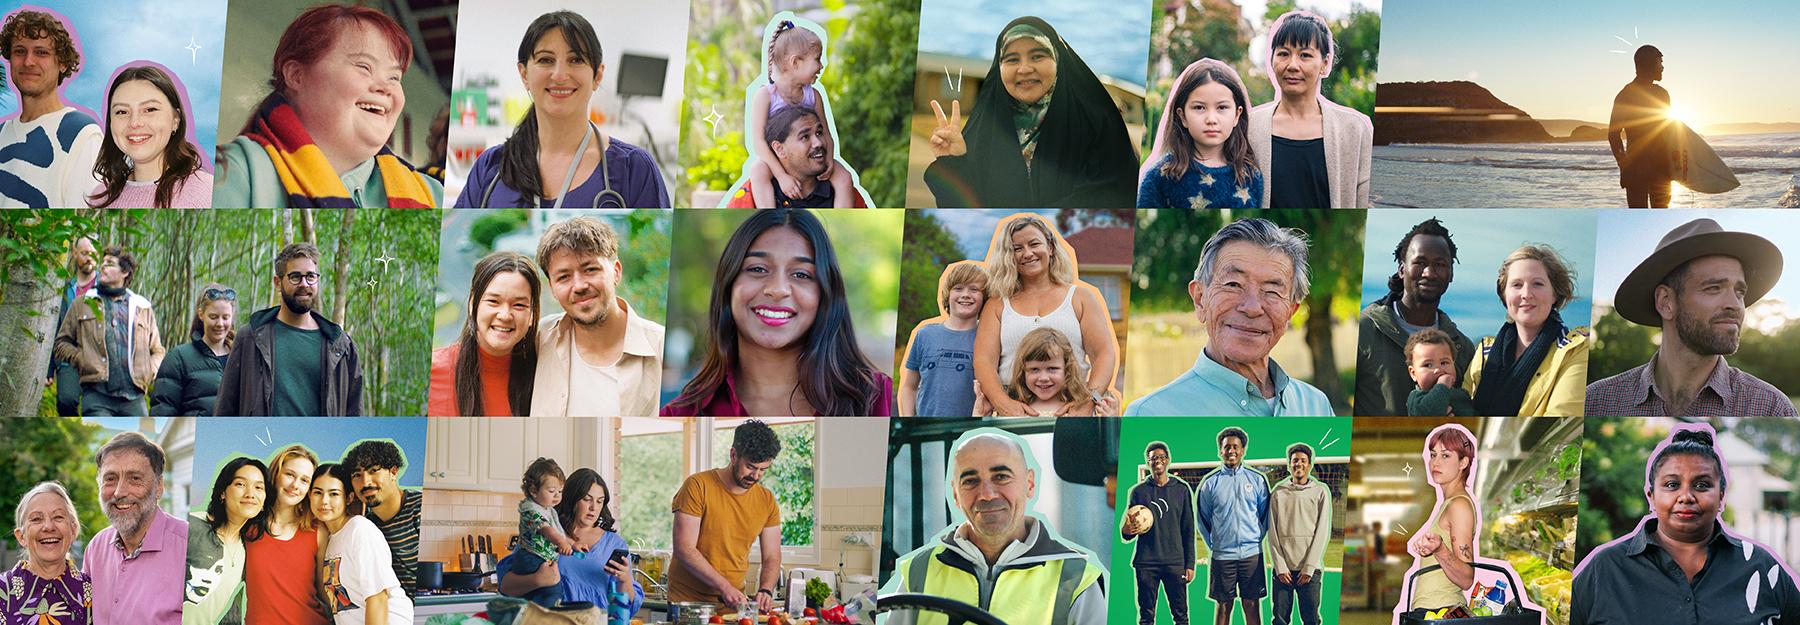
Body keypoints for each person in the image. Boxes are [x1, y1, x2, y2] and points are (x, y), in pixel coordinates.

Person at [662, 209, 893, 416]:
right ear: (729, 284)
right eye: (758, 269)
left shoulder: (880, 399)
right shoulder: (680, 414)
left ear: (825, 293)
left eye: (801, 274)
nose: (778, 289)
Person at [214, 4, 440, 208]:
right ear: (296, 75)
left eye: (394, 77)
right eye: (364, 66)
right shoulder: (234, 173)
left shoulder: (432, 193)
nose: (385, 87)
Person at [1571, 424, 1800, 624]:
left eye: (1701, 485)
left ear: (1721, 496)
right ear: (1651, 496)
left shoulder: (1761, 566)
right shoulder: (1604, 569)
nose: (1686, 496)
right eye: (1672, 485)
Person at [885, 430, 1107, 625]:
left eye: (1001, 477)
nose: (987, 494)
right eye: (970, 481)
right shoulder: (918, 571)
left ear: (1029, 484)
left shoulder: (1078, 578)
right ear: (955, 494)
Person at [453, 11, 668, 208]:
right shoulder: (490, 167)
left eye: (575, 60)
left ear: (597, 76)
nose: (559, 75)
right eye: (546, 60)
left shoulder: (634, 169)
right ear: (524, 74)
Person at [1586, 218, 1796, 416]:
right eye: (1713, 288)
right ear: (1665, 301)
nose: (1734, 304)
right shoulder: (1596, 401)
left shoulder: (1771, 407)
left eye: (1739, 292)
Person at [921, 16, 1136, 208]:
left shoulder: (1098, 126)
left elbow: (1111, 200)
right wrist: (954, 162)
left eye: (1037, 56)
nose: (1024, 69)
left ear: (1058, 61)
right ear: (999, 66)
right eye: (1012, 59)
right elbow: (965, 208)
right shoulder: (982, 132)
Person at [1127, 218, 1333, 416]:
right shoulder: (1150, 414)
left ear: (1291, 311)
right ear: (1200, 299)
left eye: (1272, 291)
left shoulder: (1316, 405)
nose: (1252, 308)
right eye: (1233, 284)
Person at [972, 214, 1117, 417]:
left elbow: (1104, 354)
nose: (1027, 253)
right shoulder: (997, 304)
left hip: (1072, 411)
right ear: (1008, 255)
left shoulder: (1081, 297)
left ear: (1050, 247)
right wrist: (1003, 404)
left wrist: (1088, 402)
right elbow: (983, 360)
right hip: (1014, 411)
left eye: (1034, 244)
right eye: (1017, 248)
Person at [528, 217, 663, 416]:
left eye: (590, 270)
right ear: (552, 289)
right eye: (564, 277)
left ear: (616, 272)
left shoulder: (659, 347)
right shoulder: (536, 340)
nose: (580, 286)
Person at [215, 242, 364, 416]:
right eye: (295, 277)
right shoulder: (250, 337)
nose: (304, 284)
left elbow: (356, 416)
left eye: (310, 277)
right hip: (263, 442)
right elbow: (225, 408)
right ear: (278, 283)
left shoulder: (341, 346)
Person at [1248, 10, 1372, 209]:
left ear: (1324, 64)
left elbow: (1369, 201)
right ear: (1272, 61)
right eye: (1283, 54)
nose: (1292, 65)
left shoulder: (1354, 129)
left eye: (1305, 55)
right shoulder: (1248, 127)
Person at [1356, 218, 1476, 416]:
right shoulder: (1364, 330)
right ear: (1402, 269)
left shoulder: (1462, 347)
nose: (1429, 273)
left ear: (1451, 273)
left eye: (1440, 264)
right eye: (1420, 263)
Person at [498, 468, 644, 621]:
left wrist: (625, 579)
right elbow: (506, 587)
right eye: (587, 499)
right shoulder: (546, 533)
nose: (594, 508)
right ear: (572, 498)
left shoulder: (614, 543)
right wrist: (537, 579)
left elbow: (626, 606)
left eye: (599, 501)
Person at [668, 420, 784, 610]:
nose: (756, 476)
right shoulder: (698, 486)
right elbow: (684, 549)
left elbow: (772, 556)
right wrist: (724, 586)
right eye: (751, 467)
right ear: (733, 455)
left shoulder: (767, 500)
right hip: (689, 602)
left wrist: (766, 589)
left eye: (763, 469)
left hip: (734, 603)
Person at [742, 17, 854, 209]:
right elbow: (758, 142)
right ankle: (769, 217)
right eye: (817, 59)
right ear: (795, 62)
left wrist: (829, 159)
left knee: (844, 177)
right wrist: (781, 176)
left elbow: (826, 132)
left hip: (808, 158)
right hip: (777, 161)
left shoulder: (814, 95)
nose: (821, 65)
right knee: (758, 170)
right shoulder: (765, 96)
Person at [1464, 245, 1589, 416]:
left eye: (1537, 284)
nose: (1526, 294)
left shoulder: (1576, 349)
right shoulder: (1485, 352)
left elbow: (1562, 416)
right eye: (1516, 284)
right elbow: (1460, 408)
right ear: (1504, 294)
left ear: (1554, 294)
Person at [0, 9, 101, 208]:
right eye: (20, 51)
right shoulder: (1, 132)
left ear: (62, 63)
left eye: (41, 52)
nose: (28, 62)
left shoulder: (81, 133)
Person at [85, 431, 187, 625]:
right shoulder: (96, 548)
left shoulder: (191, 546)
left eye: (134, 478)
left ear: (158, 487)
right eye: (110, 478)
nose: (119, 492)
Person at [52, 244, 164, 416]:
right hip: (97, 395)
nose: (102, 266)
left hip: (134, 398)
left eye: (110, 263)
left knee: (139, 440)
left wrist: (150, 370)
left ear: (125, 273)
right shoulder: (83, 303)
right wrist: (82, 358)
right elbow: (61, 342)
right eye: (102, 262)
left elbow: (157, 350)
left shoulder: (142, 307)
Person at [1138, 58, 1263, 209]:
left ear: (1237, 115)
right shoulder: (1161, 175)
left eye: (1222, 107)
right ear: (1182, 116)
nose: (1211, 119)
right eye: (1199, 108)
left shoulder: (1250, 175)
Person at [429, 252, 541, 416]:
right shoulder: (431, 372)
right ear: (472, 304)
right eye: (493, 301)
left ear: (532, 314)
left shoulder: (544, 374)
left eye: (518, 305)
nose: (504, 315)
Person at [88, 64, 212, 207]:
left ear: (175, 120)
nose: (134, 123)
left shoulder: (205, 193)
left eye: (150, 109)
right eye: (122, 112)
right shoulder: (101, 197)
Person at [311, 463, 412, 625]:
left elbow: (378, 599)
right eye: (317, 492)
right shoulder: (330, 540)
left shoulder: (359, 530)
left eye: (334, 494)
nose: (324, 501)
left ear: (349, 498)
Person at [244, 446, 329, 625]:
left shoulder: (317, 532)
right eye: (290, 474)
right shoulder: (247, 526)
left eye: (304, 480)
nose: (295, 485)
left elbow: (325, 593)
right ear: (276, 474)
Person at [1195, 427, 1269, 625]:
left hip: (1252, 554)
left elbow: (1264, 515)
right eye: (1226, 447)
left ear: (1243, 449)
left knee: (1251, 603)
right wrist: (1216, 545)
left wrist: (1253, 539)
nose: (1231, 451)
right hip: (1222, 556)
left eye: (1235, 447)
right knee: (1223, 605)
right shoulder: (1210, 484)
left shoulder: (1257, 480)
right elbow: (1203, 520)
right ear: (1220, 451)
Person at [183, 457, 268, 625]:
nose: (250, 493)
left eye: (258, 487)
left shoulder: (246, 550)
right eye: (240, 484)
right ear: (223, 492)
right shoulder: (191, 526)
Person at [1401, 426, 1476, 613]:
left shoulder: (1459, 505)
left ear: (1463, 462)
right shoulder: (1448, 504)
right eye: (1433, 455)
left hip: (1440, 611)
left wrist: (1440, 550)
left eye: (1445, 455)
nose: (1435, 462)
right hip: (1433, 610)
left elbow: (1467, 578)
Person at [900, 261, 987, 417]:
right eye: (958, 288)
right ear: (948, 295)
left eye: (974, 289)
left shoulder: (988, 338)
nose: (965, 294)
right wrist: (909, 419)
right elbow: (909, 386)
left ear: (985, 298)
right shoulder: (925, 335)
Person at [726, 107, 858, 208]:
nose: (819, 143)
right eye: (805, 137)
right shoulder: (752, 196)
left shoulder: (843, 190)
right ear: (779, 149)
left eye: (819, 133)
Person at [1122, 441, 1195, 625]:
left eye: (1161, 457)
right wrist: (1127, 530)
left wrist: (1190, 563)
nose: (1158, 461)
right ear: (1148, 462)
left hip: (1174, 562)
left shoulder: (1181, 489)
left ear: (1168, 460)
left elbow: (1188, 528)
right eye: (1153, 458)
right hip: (1146, 563)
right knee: (1146, 617)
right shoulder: (1138, 492)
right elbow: (1128, 530)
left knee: (1181, 617)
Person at [3, 482, 92, 625]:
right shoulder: (3, 591)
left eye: (58, 517)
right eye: (36, 519)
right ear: (21, 537)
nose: (48, 527)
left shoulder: (95, 593)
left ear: (73, 530)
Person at [343, 440, 422, 599]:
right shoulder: (366, 526)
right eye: (357, 475)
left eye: (373, 471)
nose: (365, 482)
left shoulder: (419, 508)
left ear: (393, 472)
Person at [152, 284, 236, 416]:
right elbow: (163, 411)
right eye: (213, 317)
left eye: (225, 317)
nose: (220, 324)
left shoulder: (243, 358)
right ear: (201, 314)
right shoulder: (178, 357)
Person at [1270, 443, 1331, 625]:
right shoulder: (1278, 493)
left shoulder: (1320, 492)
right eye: (1295, 460)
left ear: (1310, 464)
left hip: (1309, 571)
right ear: (1289, 464)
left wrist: (1310, 566)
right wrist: (1280, 566)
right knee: (1280, 620)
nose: (1299, 464)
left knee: (1311, 619)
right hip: (1284, 572)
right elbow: (1272, 533)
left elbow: (1322, 531)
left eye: (1303, 460)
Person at [1608, 45, 1675, 208]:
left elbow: (1669, 131)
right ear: (1649, 64)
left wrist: (1623, 164)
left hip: (1656, 169)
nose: (1663, 67)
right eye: (1660, 62)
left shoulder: (1661, 94)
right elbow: (1613, 134)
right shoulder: (1627, 95)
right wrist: (1624, 166)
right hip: (1640, 170)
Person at [982, 327, 1095, 416]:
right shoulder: (1012, 408)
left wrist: (1109, 415)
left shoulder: (1080, 408)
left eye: (1052, 369)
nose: (1044, 378)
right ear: (1023, 371)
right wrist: (981, 414)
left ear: (1067, 369)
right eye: (1034, 370)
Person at [508, 458, 575, 607]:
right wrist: (561, 543)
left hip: (538, 558)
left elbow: (559, 532)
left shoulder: (548, 510)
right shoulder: (531, 510)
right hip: (531, 558)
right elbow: (547, 530)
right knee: (553, 590)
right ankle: (546, 616)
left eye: (560, 491)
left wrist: (574, 544)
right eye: (552, 491)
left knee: (539, 594)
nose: (557, 495)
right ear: (533, 491)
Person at [46, 235, 99, 416]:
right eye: (84, 253)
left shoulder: (106, 287)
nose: (89, 258)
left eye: (93, 253)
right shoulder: (63, 288)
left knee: (96, 408)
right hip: (69, 357)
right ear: (75, 253)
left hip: (99, 358)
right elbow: (55, 329)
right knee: (65, 402)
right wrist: (49, 368)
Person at [1404, 328, 1476, 417]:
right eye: (1428, 365)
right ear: (1413, 373)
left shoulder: (1462, 394)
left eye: (1444, 363)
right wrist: (1442, 385)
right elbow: (1429, 412)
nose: (1438, 370)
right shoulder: (1416, 399)